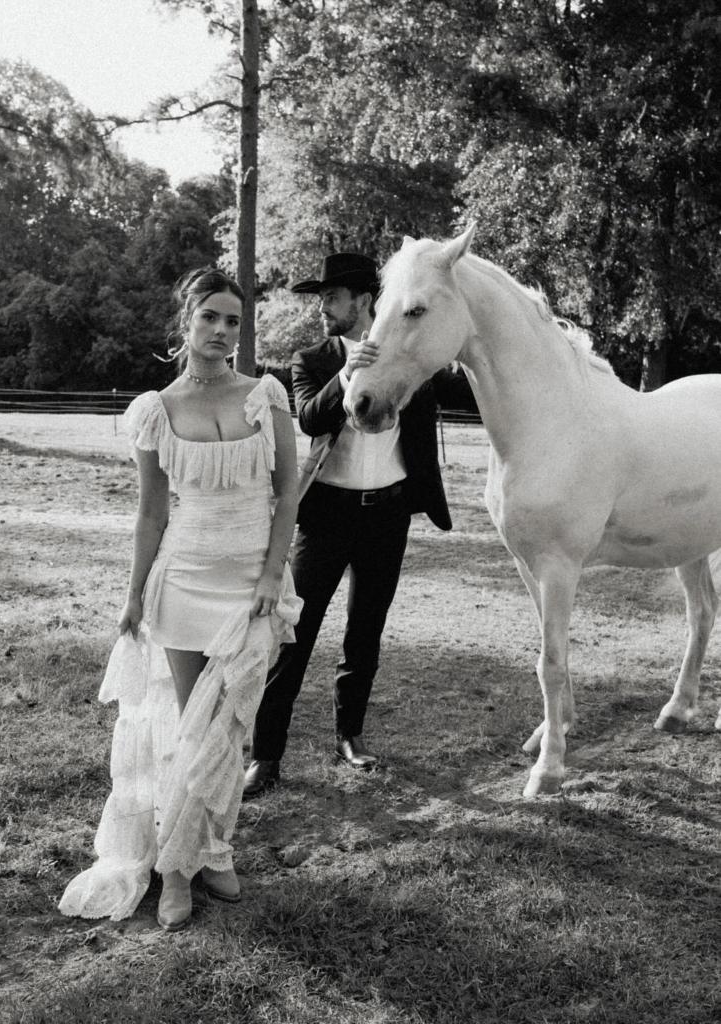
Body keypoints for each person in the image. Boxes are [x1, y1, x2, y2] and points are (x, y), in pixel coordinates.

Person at [59, 267, 301, 931]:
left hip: (252, 586)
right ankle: (178, 869)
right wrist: (132, 595)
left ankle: (206, 849)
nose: (223, 332)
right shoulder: (154, 411)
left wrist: (270, 576)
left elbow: (289, 495)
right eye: (210, 318)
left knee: (231, 730)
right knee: (192, 736)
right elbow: (149, 516)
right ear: (186, 323)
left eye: (233, 320)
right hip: (182, 585)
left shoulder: (266, 395)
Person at [243, 251, 462, 797]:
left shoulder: (410, 356)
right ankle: (265, 755)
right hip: (324, 516)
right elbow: (310, 418)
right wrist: (346, 373)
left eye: (332, 298)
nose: (323, 308)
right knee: (293, 636)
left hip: (387, 513)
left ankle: (350, 735)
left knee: (365, 633)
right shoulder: (311, 358)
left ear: (364, 301)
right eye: (321, 300)